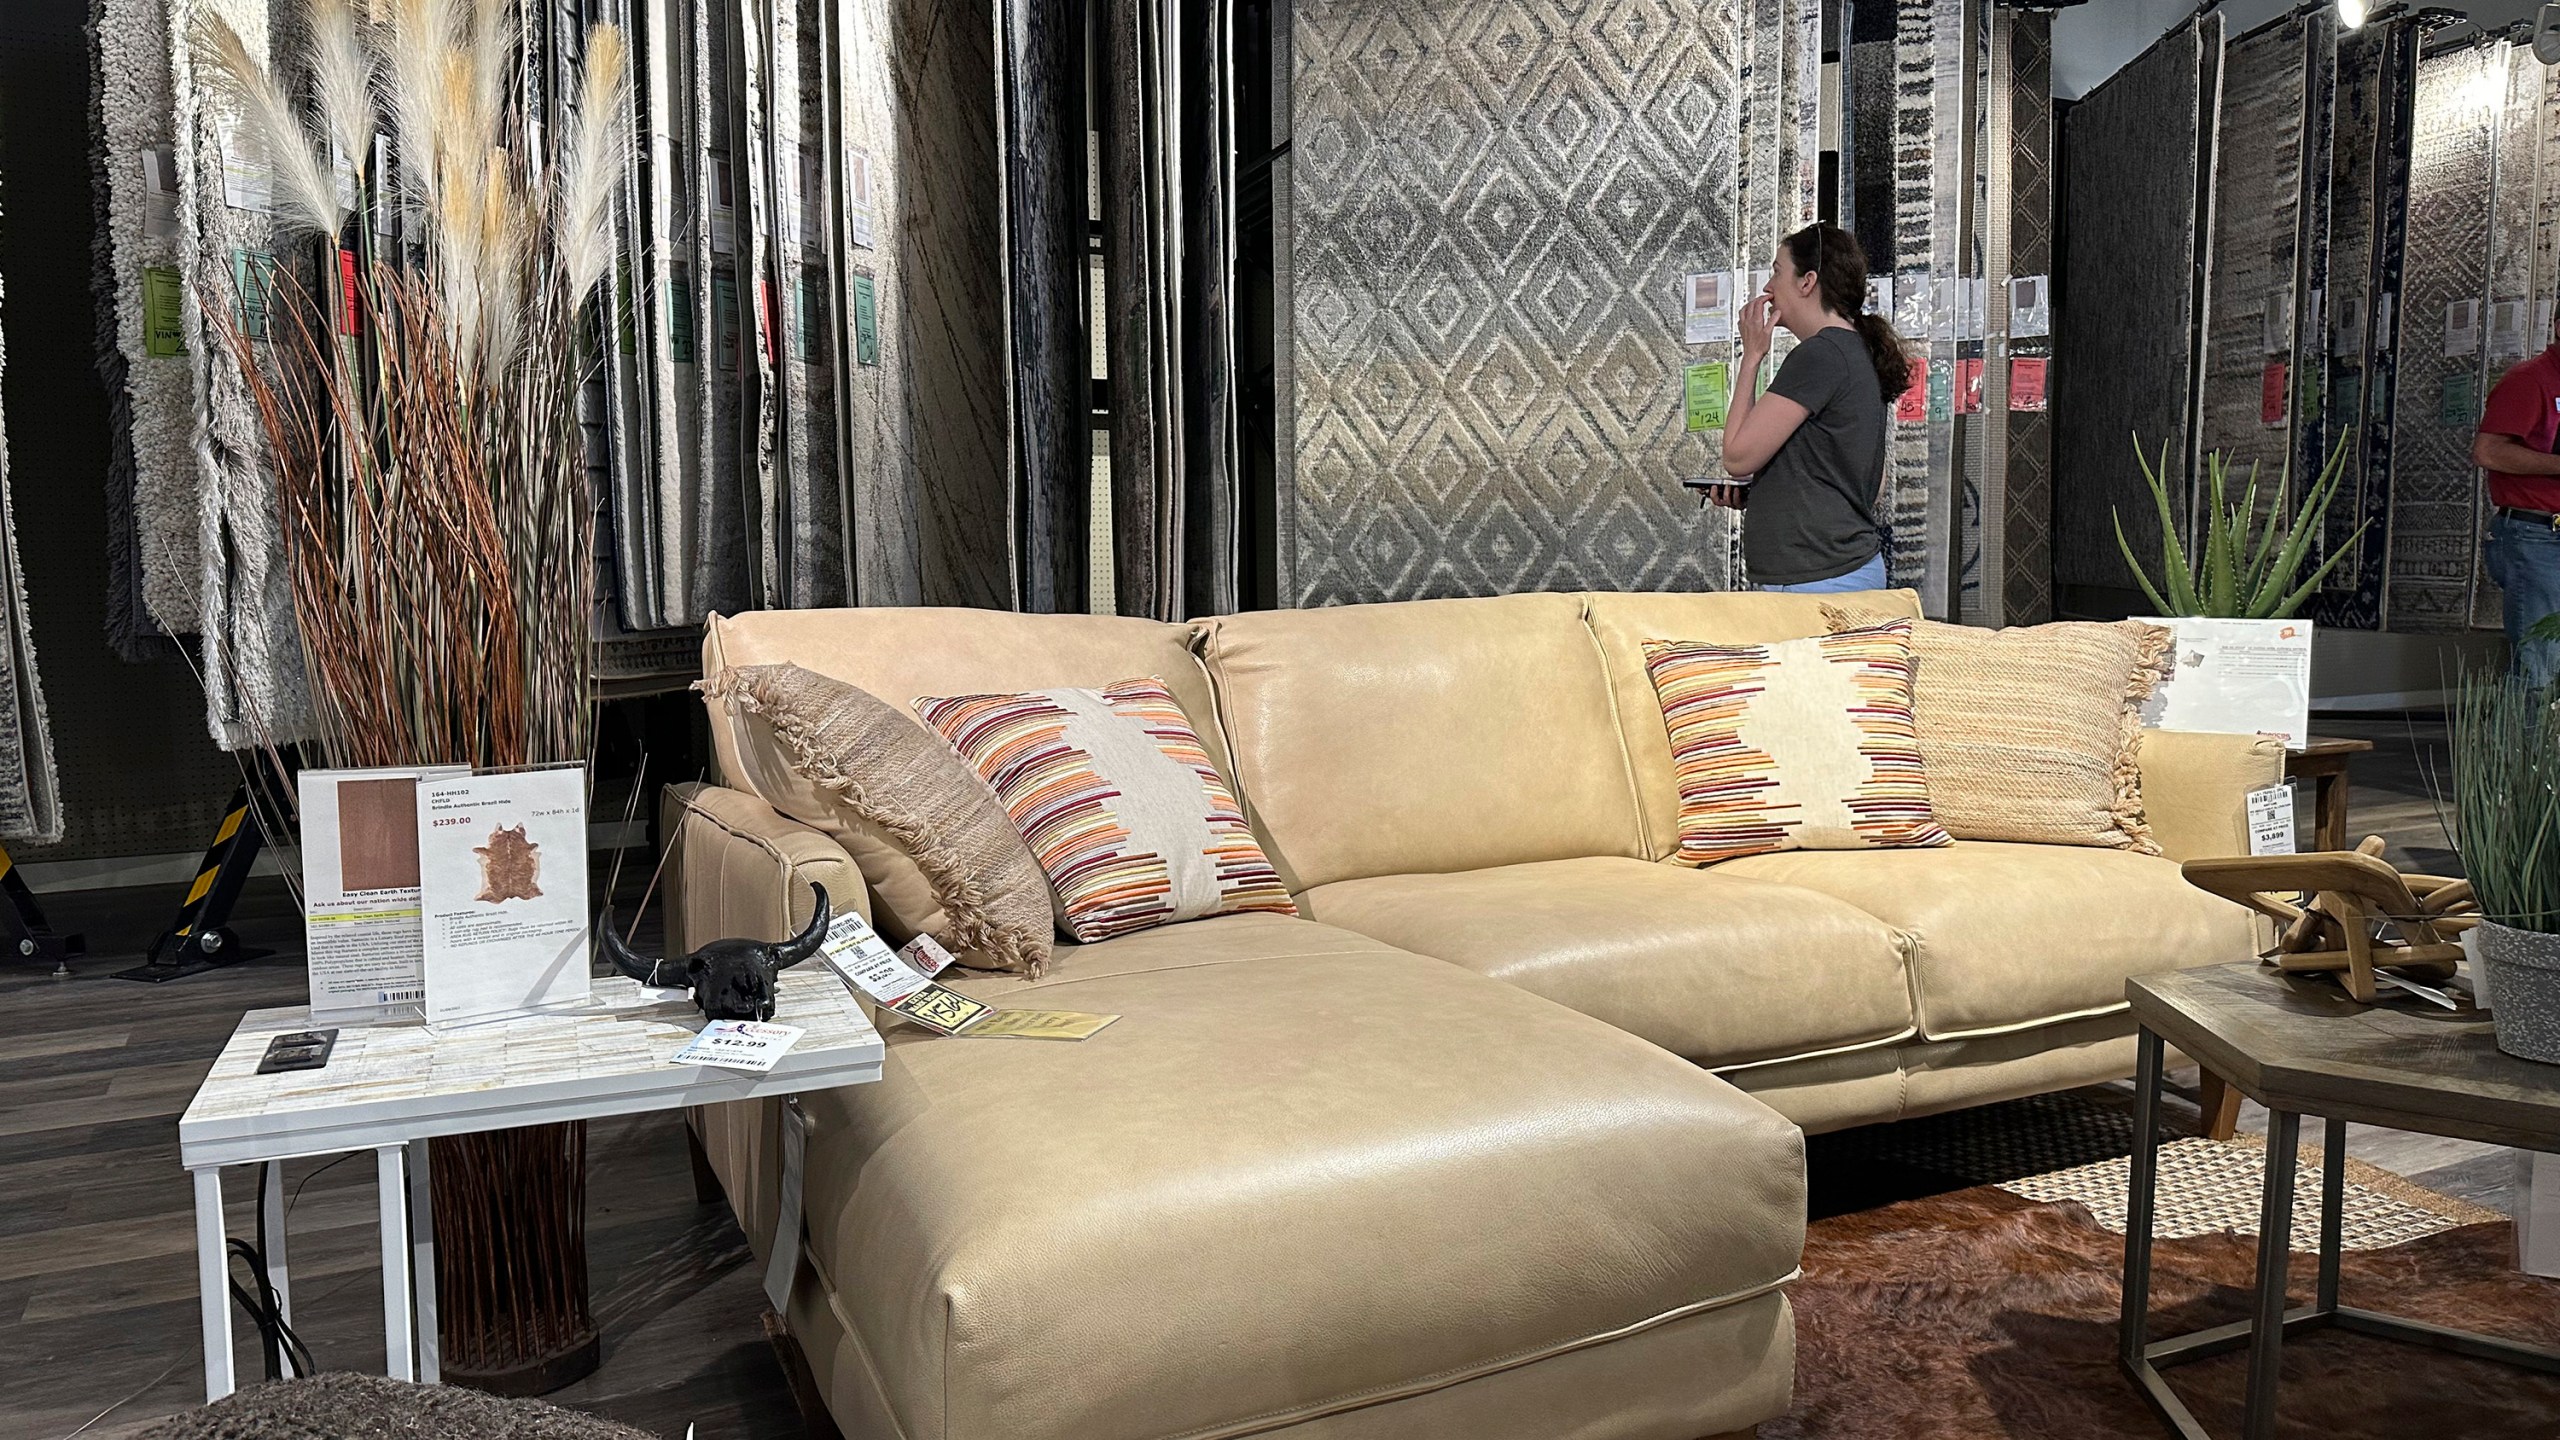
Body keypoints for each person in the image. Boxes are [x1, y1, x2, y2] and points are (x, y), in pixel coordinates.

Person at [1709, 222, 1911, 593]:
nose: (1768, 288)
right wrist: (1766, 492)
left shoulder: (1820, 355)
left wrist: (1752, 355)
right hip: (1837, 573)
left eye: (1777, 272)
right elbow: (1870, 484)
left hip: (1818, 580)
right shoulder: (1855, 350)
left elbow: (1737, 456)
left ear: (1807, 281)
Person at [2471, 309, 2560, 690]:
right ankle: (2524, 751)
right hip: (2535, 534)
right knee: (2540, 664)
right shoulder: (2529, 379)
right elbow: (2487, 452)